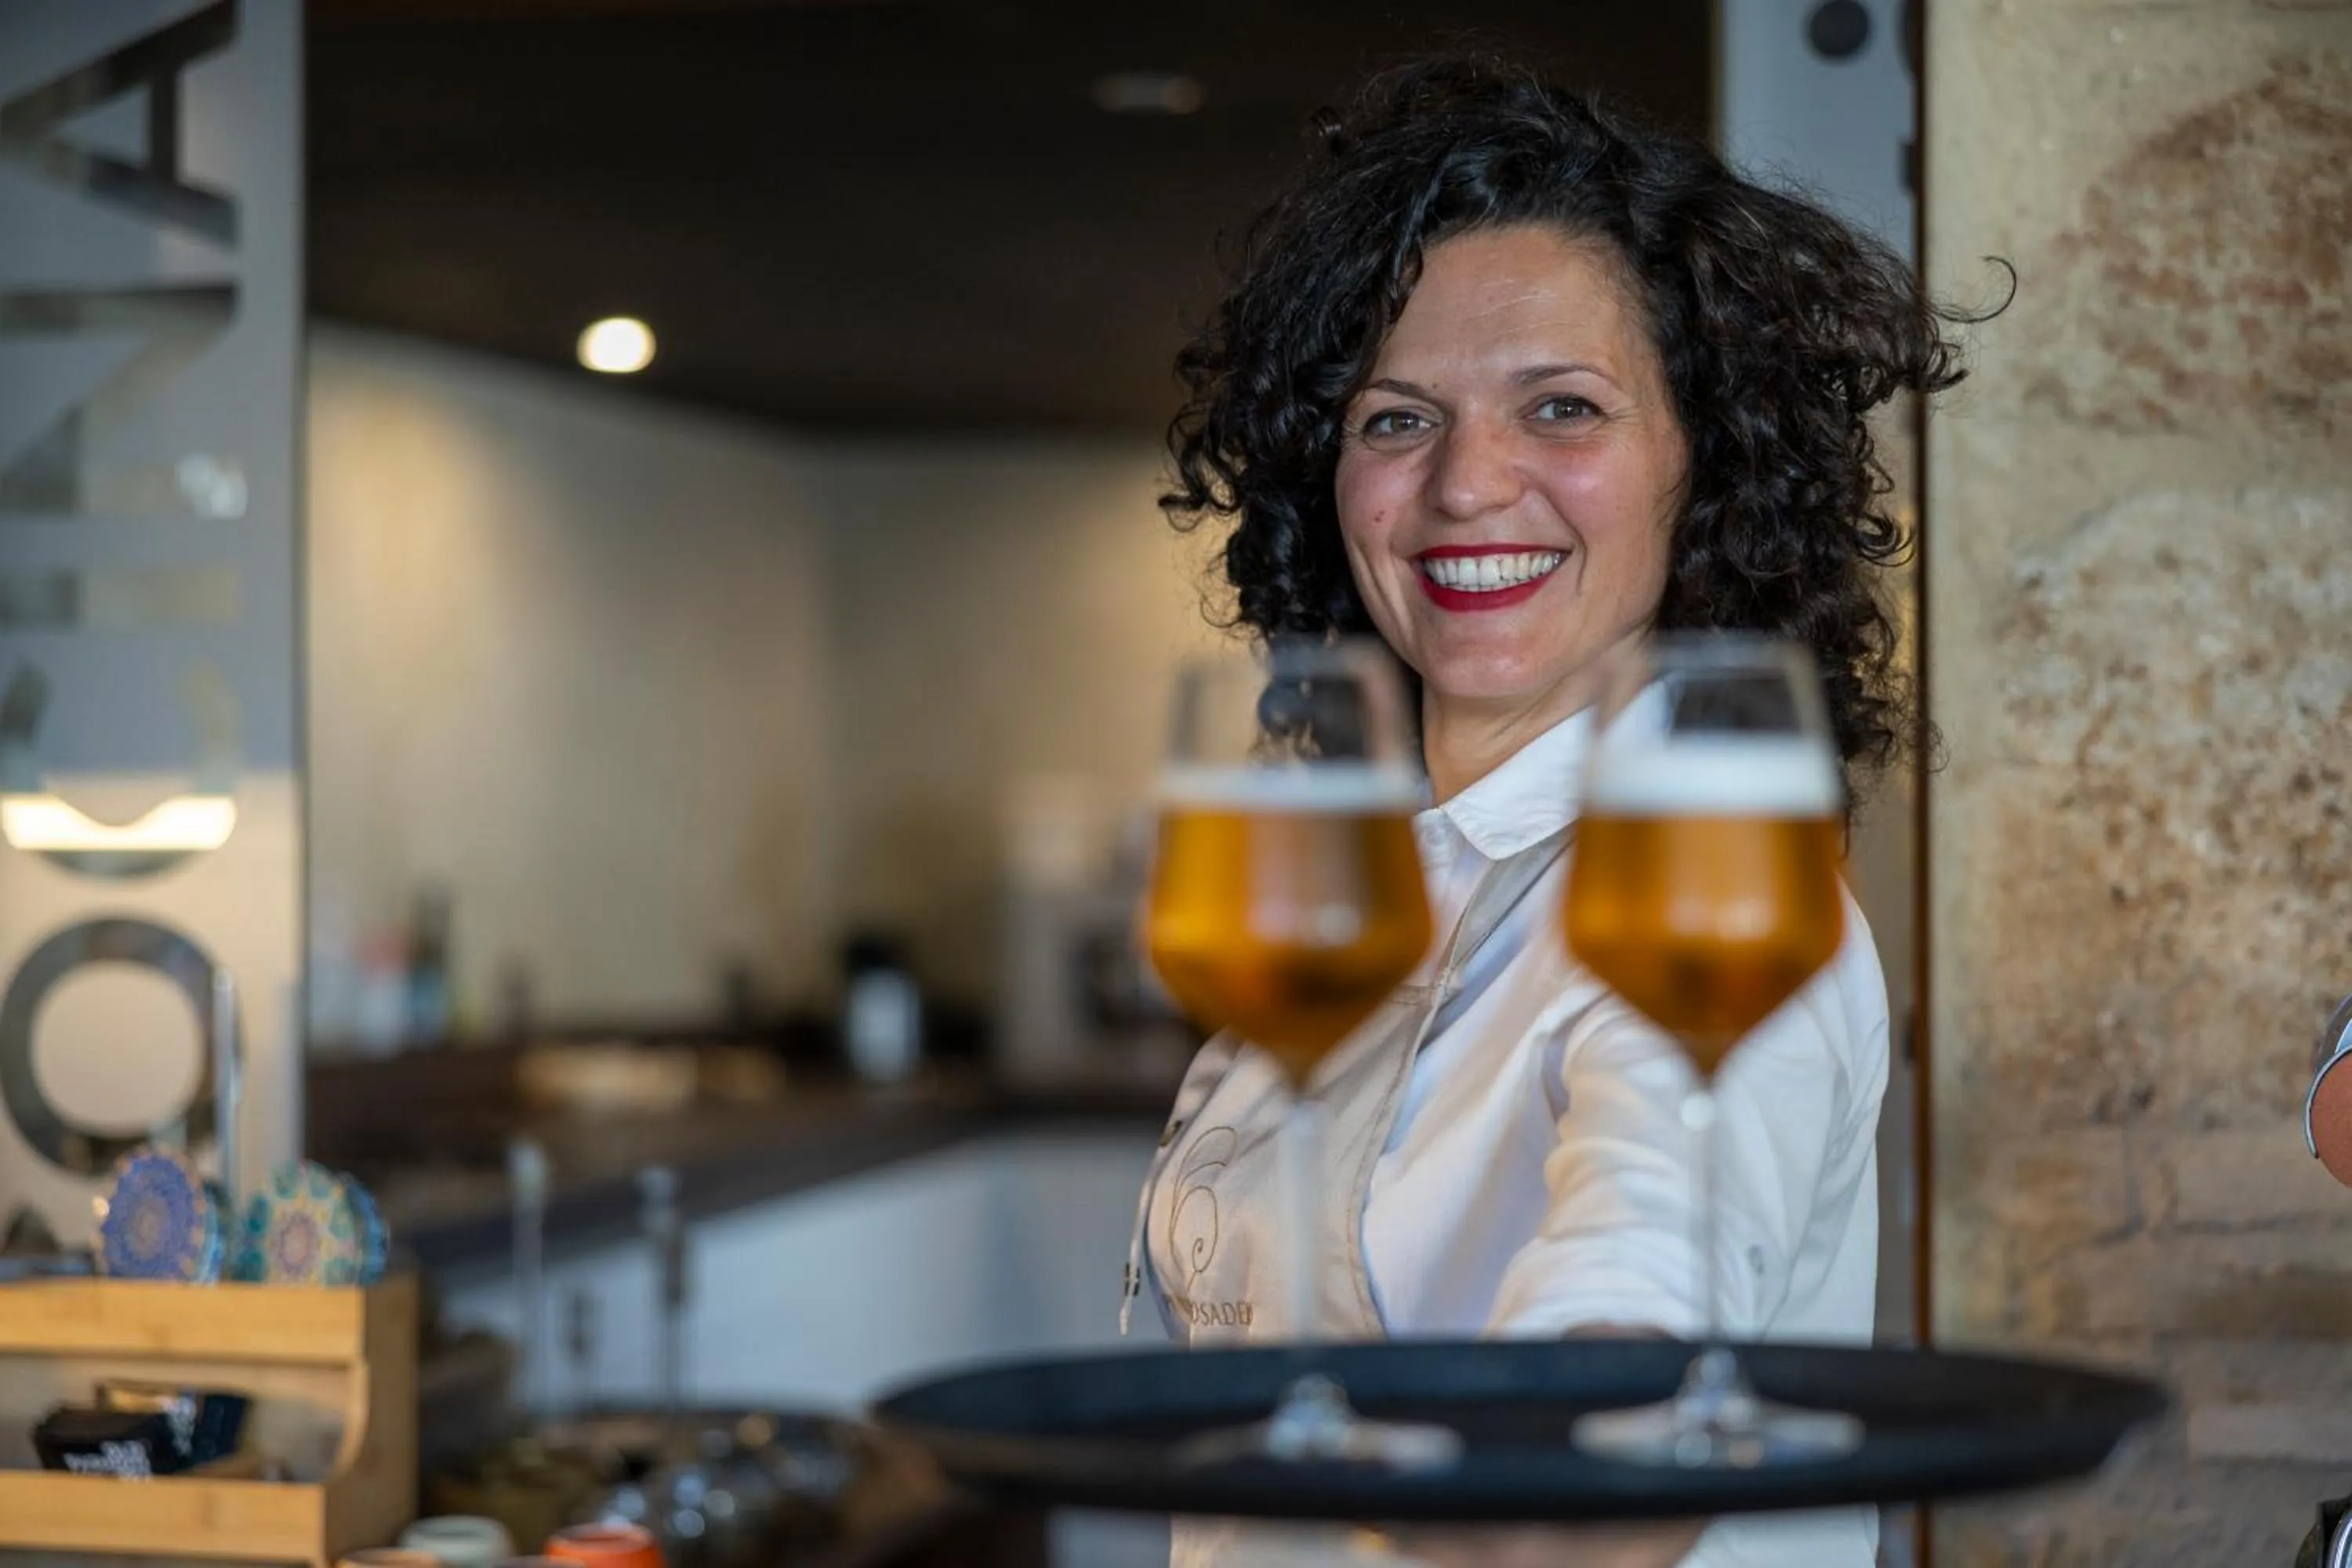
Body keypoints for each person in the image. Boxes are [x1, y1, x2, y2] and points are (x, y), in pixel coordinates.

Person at [1123, 54, 1973, 1568]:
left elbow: (1634, 1270)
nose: (1467, 483)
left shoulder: (1714, 913)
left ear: (1699, 469)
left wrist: (1574, 1478)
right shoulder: (1368, 882)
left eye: (1561, 408)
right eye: (1396, 421)